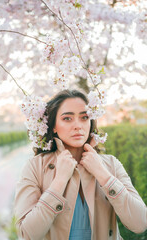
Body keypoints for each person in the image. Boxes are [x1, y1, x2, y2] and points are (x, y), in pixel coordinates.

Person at [14, 89, 147, 240]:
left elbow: (140, 223)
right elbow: (25, 235)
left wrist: (103, 175)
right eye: (67, 118)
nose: (78, 125)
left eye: (84, 117)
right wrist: (59, 181)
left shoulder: (111, 164)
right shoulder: (35, 167)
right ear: (54, 126)